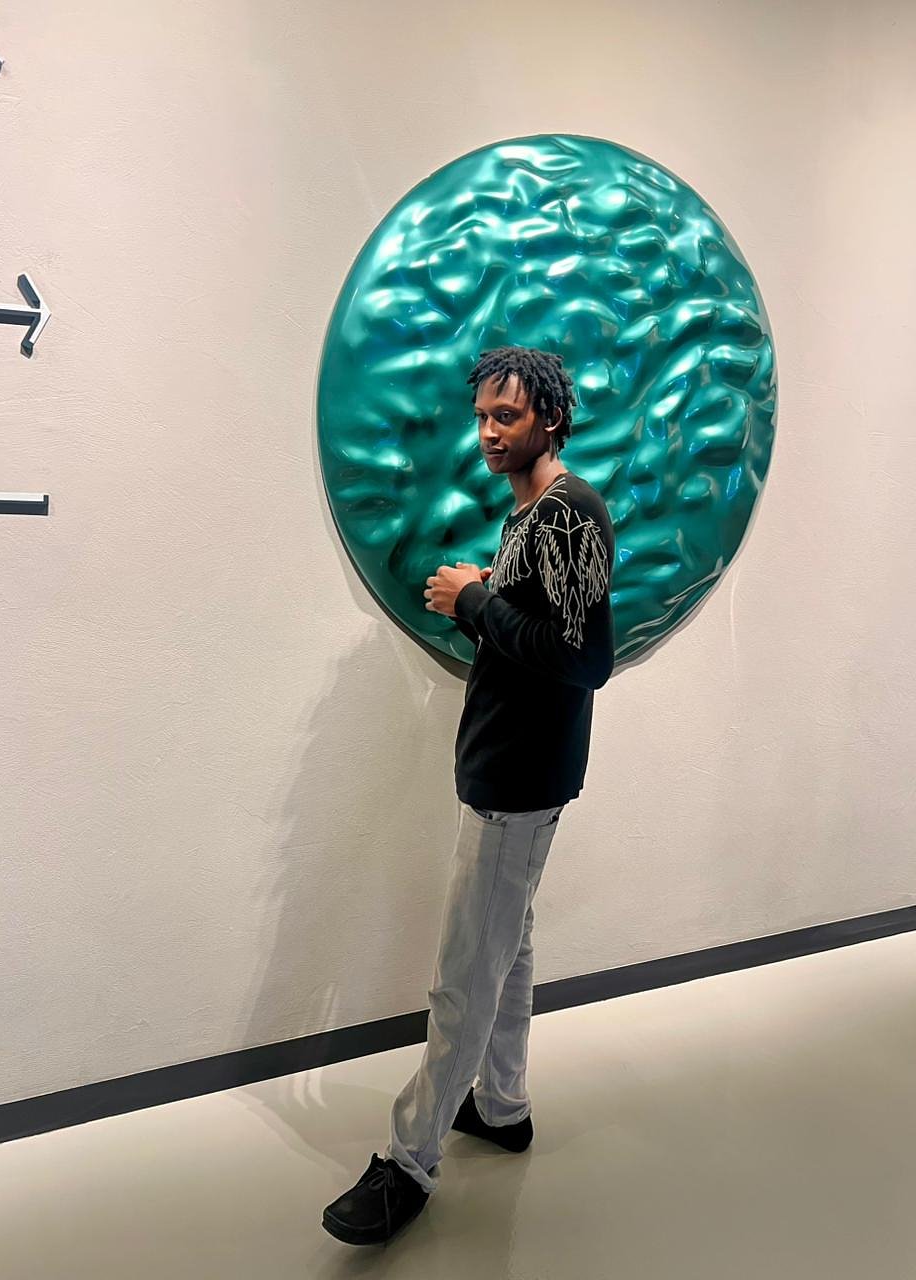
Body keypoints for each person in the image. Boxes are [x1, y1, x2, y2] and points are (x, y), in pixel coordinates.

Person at [322, 346, 616, 1247]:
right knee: (506, 946)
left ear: (550, 418)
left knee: (463, 977)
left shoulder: (568, 514)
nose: (488, 433)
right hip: (508, 772)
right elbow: (540, 638)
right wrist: (484, 599)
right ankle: (502, 1105)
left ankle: (409, 1162)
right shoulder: (531, 510)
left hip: (517, 782)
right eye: (483, 416)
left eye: (507, 417)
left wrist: (475, 600)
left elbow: (585, 660)